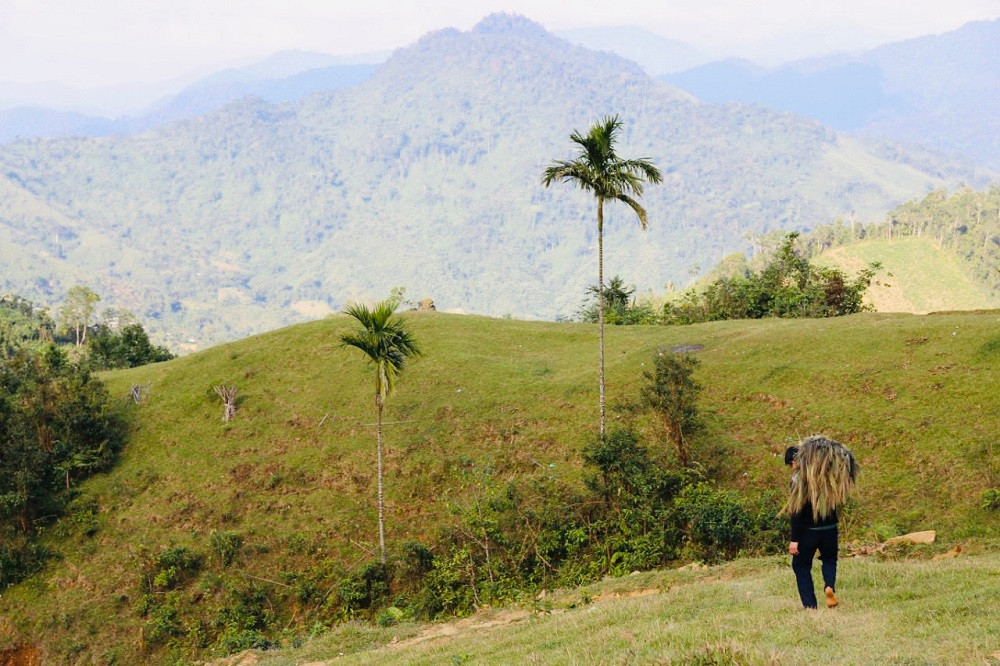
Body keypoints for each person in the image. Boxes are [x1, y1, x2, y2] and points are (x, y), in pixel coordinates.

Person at [783, 436, 857, 609]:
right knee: (830, 559)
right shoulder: (828, 476)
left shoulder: (798, 480)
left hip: (809, 531)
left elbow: (796, 511)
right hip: (830, 529)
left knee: (801, 566)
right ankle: (829, 586)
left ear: (795, 462)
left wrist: (794, 539)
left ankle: (810, 606)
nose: (791, 468)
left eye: (790, 465)